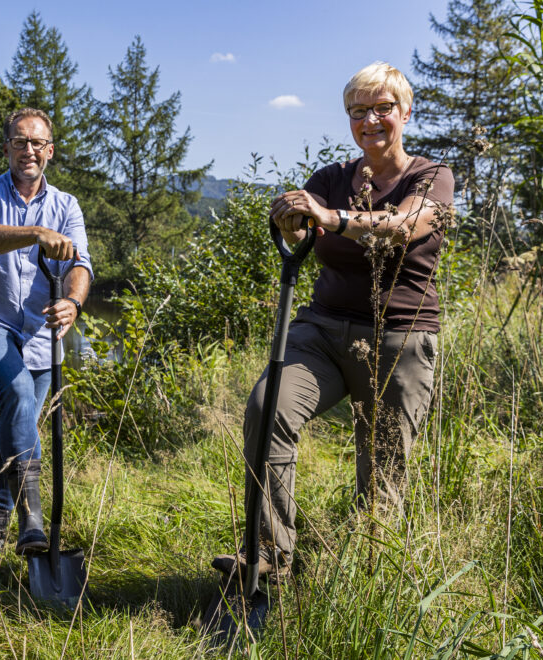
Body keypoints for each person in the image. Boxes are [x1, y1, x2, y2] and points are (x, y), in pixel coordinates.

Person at [214, 62, 454, 582]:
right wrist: (294, 224)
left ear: (405, 112)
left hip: (400, 338)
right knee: (266, 408)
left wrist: (333, 219)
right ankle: (269, 558)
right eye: (357, 111)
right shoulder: (330, 178)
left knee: (382, 469)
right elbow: (303, 239)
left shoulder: (432, 176)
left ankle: (370, 580)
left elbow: (401, 227)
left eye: (382, 108)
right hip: (321, 331)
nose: (370, 120)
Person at [0, 108, 93, 555]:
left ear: (49, 151)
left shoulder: (67, 205)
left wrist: (72, 303)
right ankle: (30, 522)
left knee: (19, 424)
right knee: (16, 392)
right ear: (7, 149)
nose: (28, 150)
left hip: (40, 333)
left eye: (37, 143)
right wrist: (35, 233)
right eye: (20, 142)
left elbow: (80, 265)